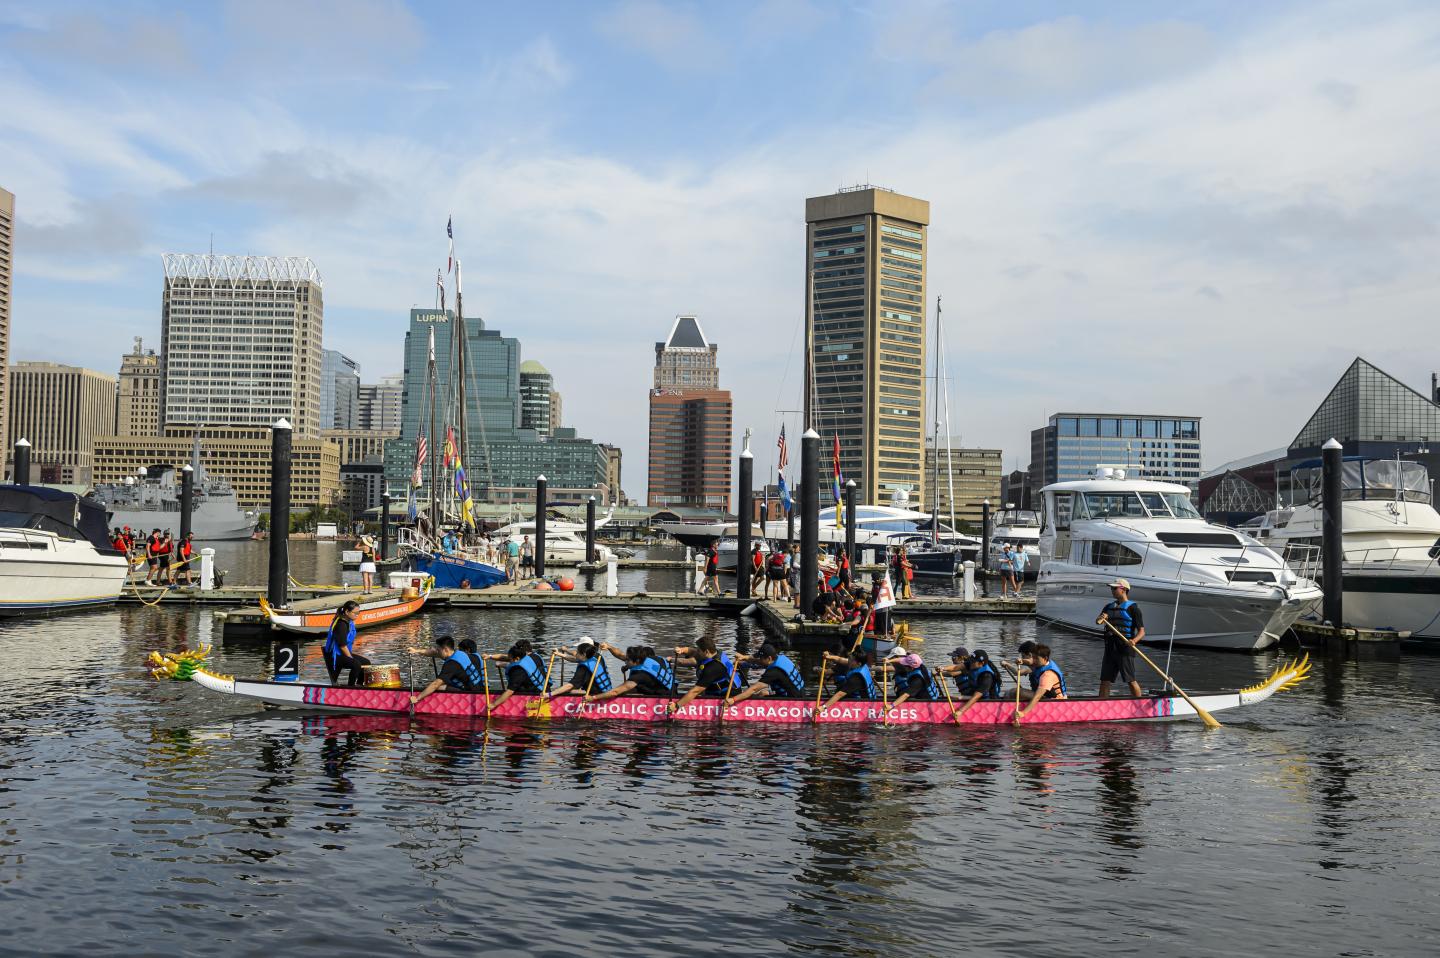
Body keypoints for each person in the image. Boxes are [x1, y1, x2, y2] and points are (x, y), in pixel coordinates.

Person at [1096, 578, 1145, 698]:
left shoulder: (1133, 608)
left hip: (1125, 649)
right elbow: (1098, 622)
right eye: (1111, 588)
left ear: (1123, 590)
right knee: (1105, 681)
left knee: (1130, 680)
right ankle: (1102, 706)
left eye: (1114, 588)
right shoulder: (1108, 607)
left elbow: (1142, 632)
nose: (1112, 590)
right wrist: (1102, 617)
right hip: (1110, 649)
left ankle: (1139, 704)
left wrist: (1134, 640)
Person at [670, 636, 747, 711]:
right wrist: (681, 650)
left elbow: (695, 691)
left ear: (706, 651)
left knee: (696, 691)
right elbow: (693, 651)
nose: (697, 652)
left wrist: (677, 705)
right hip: (717, 689)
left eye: (699, 650)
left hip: (728, 695)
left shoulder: (713, 668)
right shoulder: (714, 652)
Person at [409, 635, 485, 706]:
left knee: (437, 686)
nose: (437, 652)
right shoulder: (460, 653)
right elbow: (434, 653)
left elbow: (436, 684)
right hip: (480, 688)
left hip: (469, 693)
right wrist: (416, 651)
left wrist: (417, 698)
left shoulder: (451, 664)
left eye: (438, 650)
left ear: (445, 649)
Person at [585, 644, 677, 702]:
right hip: (672, 687)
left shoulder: (640, 675)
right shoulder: (649, 658)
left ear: (636, 661)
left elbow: (615, 692)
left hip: (665, 695)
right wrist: (609, 647)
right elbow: (620, 655)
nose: (625, 662)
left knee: (622, 691)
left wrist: (593, 698)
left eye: (627, 660)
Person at [724, 643, 806, 704]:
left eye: (762, 658)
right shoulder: (780, 657)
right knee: (763, 693)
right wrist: (744, 658)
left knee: (756, 694)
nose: (760, 660)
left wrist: (733, 699)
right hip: (800, 692)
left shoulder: (774, 672)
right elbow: (758, 660)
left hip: (793, 701)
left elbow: (753, 689)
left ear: (769, 658)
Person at [482, 641, 551, 711]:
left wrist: (493, 704)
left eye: (510, 659)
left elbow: (510, 691)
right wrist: (490, 656)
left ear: (517, 658)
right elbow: (506, 657)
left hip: (535, 696)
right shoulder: (535, 656)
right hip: (545, 690)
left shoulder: (519, 670)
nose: (509, 660)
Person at [943, 649, 1005, 719]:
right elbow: (955, 667)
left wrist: (960, 711)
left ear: (981, 663)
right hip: (977, 696)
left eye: (973, 661)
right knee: (956, 697)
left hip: (988, 699)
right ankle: (962, 698)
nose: (970, 662)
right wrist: (942, 668)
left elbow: (976, 697)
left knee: (960, 698)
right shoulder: (973, 664)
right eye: (971, 660)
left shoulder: (986, 676)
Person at [815, 648, 877, 716]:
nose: (849, 661)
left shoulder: (856, 677)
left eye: (851, 660)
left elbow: (840, 694)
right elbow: (839, 659)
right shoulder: (862, 664)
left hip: (865, 705)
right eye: (850, 658)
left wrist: (823, 707)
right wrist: (830, 657)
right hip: (868, 699)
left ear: (858, 663)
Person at [545, 636, 613, 698]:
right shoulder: (595, 657)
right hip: (604, 692)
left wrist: (550, 694)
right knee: (563, 689)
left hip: (595, 695)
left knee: (563, 690)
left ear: (584, 653)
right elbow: (574, 658)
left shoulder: (584, 668)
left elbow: (570, 685)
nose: (576, 654)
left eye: (577, 652)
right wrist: (559, 654)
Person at [1014, 643, 1066, 722]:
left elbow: (1037, 697)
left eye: (1036, 659)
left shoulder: (1048, 675)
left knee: (1018, 692)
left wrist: (1023, 713)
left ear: (1045, 658)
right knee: (1013, 692)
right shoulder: (1043, 661)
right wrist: (1021, 661)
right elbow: (1030, 661)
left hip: (1055, 701)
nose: (1034, 661)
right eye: (1033, 657)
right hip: (1046, 696)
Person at [322, 601, 370, 687]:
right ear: (347, 612)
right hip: (335, 655)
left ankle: (359, 684)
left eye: (358, 612)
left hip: (342, 653)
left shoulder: (349, 621)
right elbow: (342, 645)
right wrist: (351, 658)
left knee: (366, 662)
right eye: (355, 613)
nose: (357, 615)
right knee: (356, 664)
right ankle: (351, 687)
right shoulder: (341, 624)